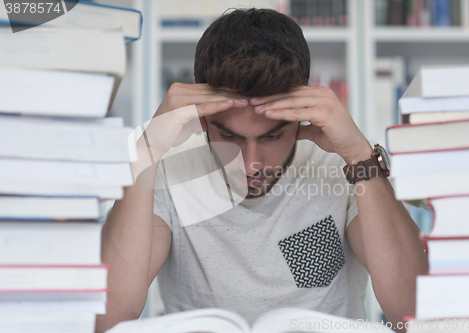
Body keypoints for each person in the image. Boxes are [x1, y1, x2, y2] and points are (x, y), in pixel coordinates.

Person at [96, 8, 428, 333]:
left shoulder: (344, 169)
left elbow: (412, 314)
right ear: (201, 119)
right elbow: (108, 321)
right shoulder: (168, 170)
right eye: (229, 136)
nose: (251, 163)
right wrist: (145, 154)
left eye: (272, 136)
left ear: (301, 116)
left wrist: (359, 156)